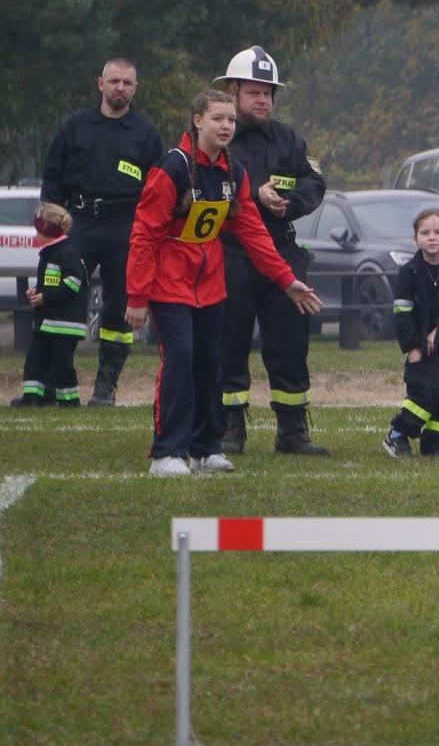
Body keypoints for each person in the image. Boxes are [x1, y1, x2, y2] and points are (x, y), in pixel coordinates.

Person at [126, 89, 322, 476]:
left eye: (231, 120)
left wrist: (286, 280)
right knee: (180, 358)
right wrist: (137, 295)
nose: (227, 126)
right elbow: (144, 234)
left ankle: (205, 447)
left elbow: (254, 234)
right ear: (198, 121)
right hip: (171, 286)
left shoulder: (233, 172)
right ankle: (167, 452)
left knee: (209, 364)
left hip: (210, 287)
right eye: (218, 119)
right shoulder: (173, 167)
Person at [213, 47, 329, 456]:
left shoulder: (290, 139)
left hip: (281, 251)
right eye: (254, 93)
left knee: (290, 342)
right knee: (229, 341)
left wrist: (289, 202)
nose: (262, 101)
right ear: (233, 92)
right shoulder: (219, 138)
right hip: (232, 254)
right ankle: (229, 428)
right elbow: (202, 186)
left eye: (268, 94)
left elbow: (315, 183)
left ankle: (292, 431)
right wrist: (253, 196)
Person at [40, 58, 165, 405]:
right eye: (114, 81)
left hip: (125, 226)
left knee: (118, 309)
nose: (120, 88)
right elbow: (53, 176)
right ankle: (54, 383)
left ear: (135, 88)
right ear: (100, 84)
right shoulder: (75, 127)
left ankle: (105, 388)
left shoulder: (146, 134)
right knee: (62, 301)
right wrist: (54, 222)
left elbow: (159, 188)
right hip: (78, 222)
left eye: (127, 82)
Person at [383, 208, 439, 458]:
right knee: (425, 391)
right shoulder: (408, 271)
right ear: (416, 239)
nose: (432, 237)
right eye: (425, 232)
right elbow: (402, 314)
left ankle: (434, 444)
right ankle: (397, 434)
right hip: (419, 348)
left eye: (438, 232)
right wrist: (412, 348)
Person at [10, 203, 88, 407]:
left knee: (62, 365)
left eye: (38, 231)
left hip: (64, 324)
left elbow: (73, 283)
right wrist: (37, 291)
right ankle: (33, 397)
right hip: (47, 323)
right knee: (35, 360)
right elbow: (53, 282)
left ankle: (70, 401)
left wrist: (46, 297)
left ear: (48, 230)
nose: (36, 236)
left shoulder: (67, 253)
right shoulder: (50, 253)